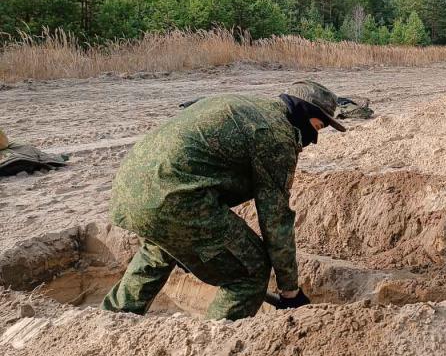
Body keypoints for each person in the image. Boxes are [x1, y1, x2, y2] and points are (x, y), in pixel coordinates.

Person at [101, 81, 346, 321]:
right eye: (319, 126)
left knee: (157, 254)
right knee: (252, 271)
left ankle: (110, 322)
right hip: (176, 198)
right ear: (305, 112)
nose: (314, 137)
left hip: (131, 187)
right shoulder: (277, 135)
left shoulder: (251, 106)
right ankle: (216, 340)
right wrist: (289, 291)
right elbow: (275, 219)